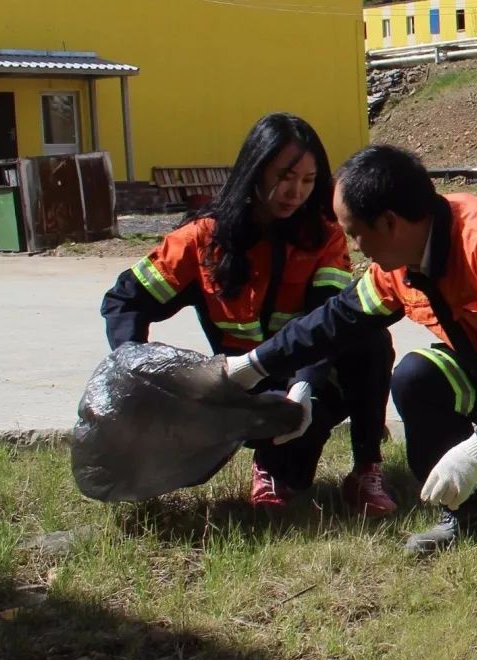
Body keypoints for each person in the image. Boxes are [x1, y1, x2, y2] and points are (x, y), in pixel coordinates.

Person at [224, 144, 477, 553]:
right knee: (417, 376)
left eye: (355, 233)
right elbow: (333, 321)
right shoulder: (404, 256)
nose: (354, 247)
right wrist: (253, 365)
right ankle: (473, 512)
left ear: (389, 222)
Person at [101, 113, 396, 514]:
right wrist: (135, 368)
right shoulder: (202, 240)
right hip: (239, 387)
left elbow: (329, 320)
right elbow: (125, 299)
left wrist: (304, 385)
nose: (295, 192)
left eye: (309, 181)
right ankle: (271, 464)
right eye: (285, 177)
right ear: (255, 170)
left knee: (371, 339)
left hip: (306, 386)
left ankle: (365, 470)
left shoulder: (323, 235)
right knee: (283, 457)